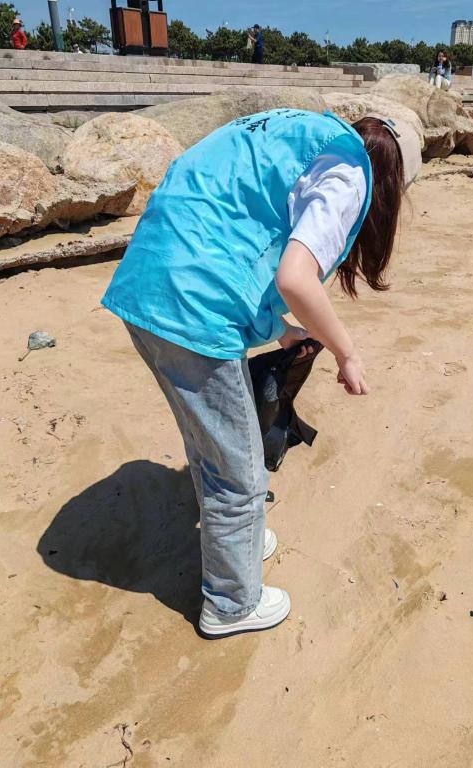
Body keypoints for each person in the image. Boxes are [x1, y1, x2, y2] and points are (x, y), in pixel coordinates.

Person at [102, 108, 421, 638]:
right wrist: (347, 353)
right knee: (239, 470)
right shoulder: (349, 173)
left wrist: (279, 330)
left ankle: (239, 543)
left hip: (144, 286)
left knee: (208, 442)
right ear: (391, 178)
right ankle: (231, 604)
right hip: (193, 309)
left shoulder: (295, 133)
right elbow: (295, 278)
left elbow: (236, 226)